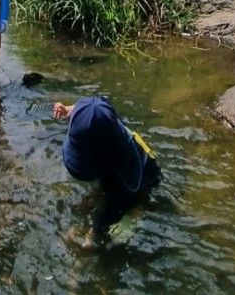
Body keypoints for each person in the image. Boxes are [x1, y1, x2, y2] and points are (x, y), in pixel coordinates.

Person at [53, 95, 160, 239]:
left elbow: (111, 209)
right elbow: (86, 108)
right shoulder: (101, 112)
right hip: (118, 160)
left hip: (143, 180)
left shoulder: (124, 172)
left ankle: (141, 205)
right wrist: (68, 110)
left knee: (117, 231)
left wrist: (92, 234)